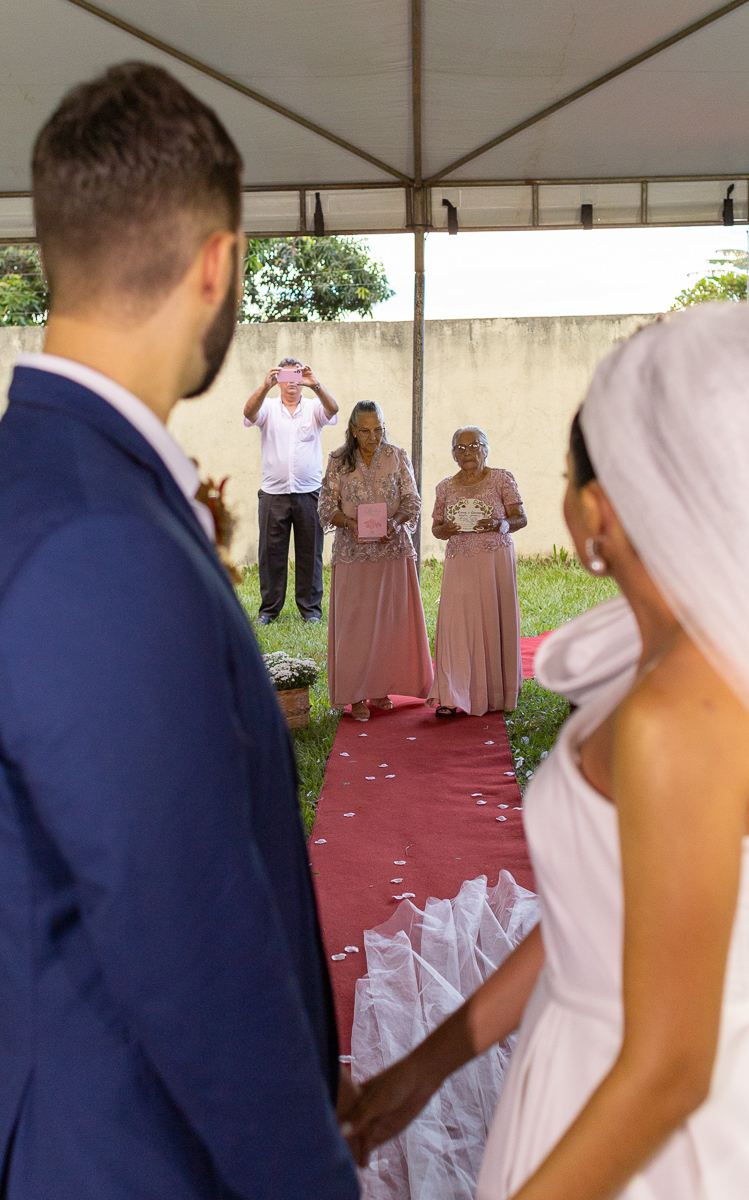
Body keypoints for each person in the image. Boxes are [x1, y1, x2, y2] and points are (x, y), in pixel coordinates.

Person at [342, 303, 749, 1199]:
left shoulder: (681, 716)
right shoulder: (664, 665)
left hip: (656, 1129)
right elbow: (597, 916)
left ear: (596, 507)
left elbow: (671, 1068)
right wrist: (427, 1067)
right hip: (581, 1058)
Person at [0, 63, 358, 1199]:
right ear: (219, 264)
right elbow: (191, 945)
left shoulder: (53, 477)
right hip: (130, 1151)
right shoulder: (97, 537)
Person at [318, 400, 433, 721]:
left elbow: (412, 499)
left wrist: (395, 522)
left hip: (392, 551)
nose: (374, 437)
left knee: (388, 622)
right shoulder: (339, 461)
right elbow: (326, 505)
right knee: (355, 624)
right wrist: (349, 523)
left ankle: (381, 688)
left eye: (379, 429)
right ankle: (355, 696)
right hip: (352, 553)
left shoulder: (397, 456)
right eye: (366, 431)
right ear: (353, 430)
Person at [428, 427, 526, 716]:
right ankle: (451, 693)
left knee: (493, 619)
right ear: (453, 454)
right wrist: (446, 528)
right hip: (460, 561)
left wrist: (500, 525)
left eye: (473, 446)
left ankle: (495, 691)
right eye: (460, 448)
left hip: (495, 560)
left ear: (486, 448)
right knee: (456, 623)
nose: (467, 452)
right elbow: (436, 529)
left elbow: (520, 517)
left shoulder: (501, 478)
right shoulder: (445, 487)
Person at [243, 356, 338, 624]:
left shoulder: (313, 408)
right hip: (273, 494)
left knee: (311, 553)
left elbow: (333, 409)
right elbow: (249, 414)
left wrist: (316, 384)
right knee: (271, 554)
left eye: (296, 377)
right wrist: (264, 387)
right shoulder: (269, 408)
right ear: (278, 381)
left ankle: (310, 611)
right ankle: (269, 610)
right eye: (286, 378)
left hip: (309, 493)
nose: (292, 383)